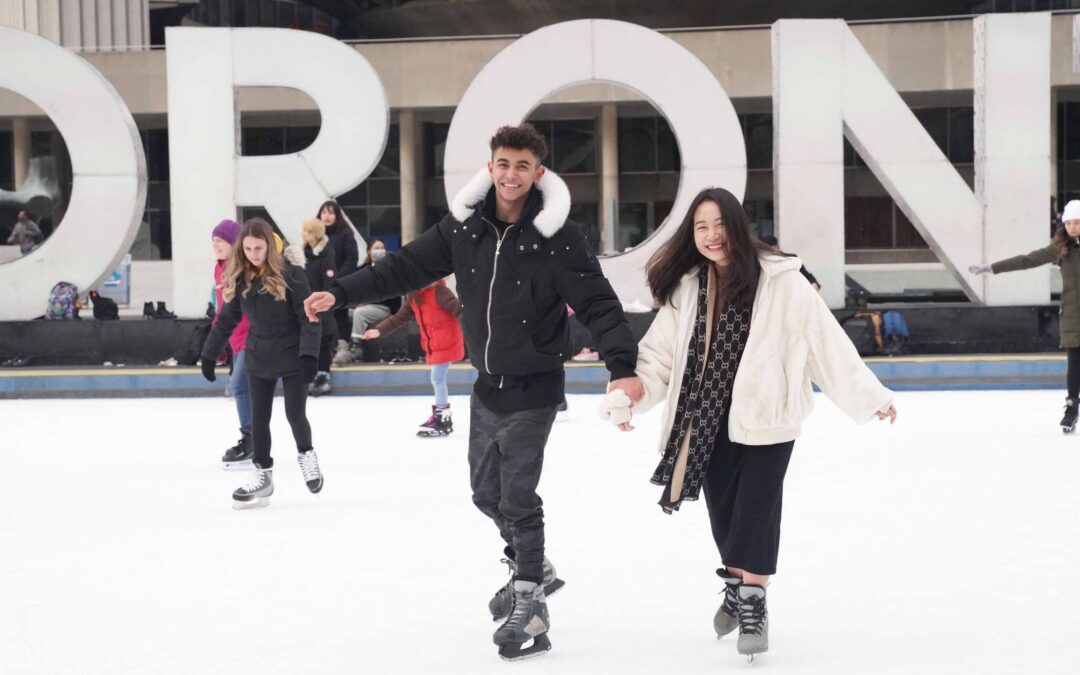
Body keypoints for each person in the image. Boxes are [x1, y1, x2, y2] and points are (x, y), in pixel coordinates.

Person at [305, 123, 643, 660]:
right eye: (503, 164)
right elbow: (403, 267)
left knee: (516, 495)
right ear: (491, 167)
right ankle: (534, 565)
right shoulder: (464, 229)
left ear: (539, 173)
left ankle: (530, 599)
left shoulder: (558, 238)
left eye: (522, 166)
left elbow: (599, 303)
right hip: (486, 385)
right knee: (485, 494)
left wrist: (621, 366)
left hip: (535, 386)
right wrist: (341, 292)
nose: (511, 175)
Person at [598, 187, 897, 662]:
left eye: (719, 225)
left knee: (757, 507)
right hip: (705, 420)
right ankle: (736, 584)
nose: (712, 236)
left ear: (737, 226)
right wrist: (630, 397)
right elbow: (658, 359)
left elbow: (827, 345)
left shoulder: (784, 282)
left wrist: (869, 397)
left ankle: (754, 600)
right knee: (725, 515)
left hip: (770, 417)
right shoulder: (688, 289)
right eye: (701, 227)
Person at [201, 218, 325, 509]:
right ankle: (262, 475)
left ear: (270, 246)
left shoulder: (291, 275)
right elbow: (227, 319)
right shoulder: (243, 279)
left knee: (295, 415)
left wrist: (309, 355)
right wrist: (210, 354)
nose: (253, 254)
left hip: (293, 354)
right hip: (259, 354)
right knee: (259, 420)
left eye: (258, 248)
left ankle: (307, 455)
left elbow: (310, 317)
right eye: (248, 249)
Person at [971, 198, 1080, 432]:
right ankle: (1072, 407)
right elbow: (1028, 260)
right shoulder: (1060, 249)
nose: (1072, 227)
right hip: (1073, 313)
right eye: (1069, 222)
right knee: (1075, 362)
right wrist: (993, 268)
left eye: (1077, 222)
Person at [364, 279, 464, 436]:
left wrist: (471, 331)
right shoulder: (414, 296)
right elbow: (399, 318)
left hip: (448, 340)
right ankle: (442, 414)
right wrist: (378, 331)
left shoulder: (439, 291)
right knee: (437, 378)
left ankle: (442, 415)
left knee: (437, 378)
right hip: (435, 342)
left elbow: (458, 310)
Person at [209, 219, 254, 469]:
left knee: (238, 385)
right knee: (244, 389)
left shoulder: (244, 267)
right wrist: (217, 341)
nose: (216, 246)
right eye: (213, 242)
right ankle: (253, 438)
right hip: (235, 338)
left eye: (220, 241)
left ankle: (251, 439)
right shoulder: (218, 269)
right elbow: (221, 308)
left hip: (253, 336)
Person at [334, 239, 402, 365]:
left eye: (382, 247)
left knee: (359, 313)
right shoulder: (363, 270)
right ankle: (341, 345)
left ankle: (356, 346)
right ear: (369, 251)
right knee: (342, 312)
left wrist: (366, 302)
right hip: (365, 306)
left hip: (384, 307)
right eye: (376, 248)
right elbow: (356, 290)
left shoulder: (390, 269)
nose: (380, 250)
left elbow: (392, 295)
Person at [317, 200, 360, 363]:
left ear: (337, 215)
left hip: (340, 283)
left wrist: (338, 278)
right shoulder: (316, 235)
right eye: (324, 212)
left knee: (339, 314)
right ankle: (324, 350)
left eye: (330, 212)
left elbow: (352, 258)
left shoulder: (345, 233)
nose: (326, 216)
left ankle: (343, 347)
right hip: (320, 285)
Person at [301, 218, 338, 396]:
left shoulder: (326, 254)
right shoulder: (303, 254)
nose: (304, 235)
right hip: (306, 304)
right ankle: (313, 374)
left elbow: (329, 281)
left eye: (307, 231)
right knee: (310, 341)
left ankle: (323, 375)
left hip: (321, 304)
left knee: (323, 341)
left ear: (315, 234)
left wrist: (322, 302)